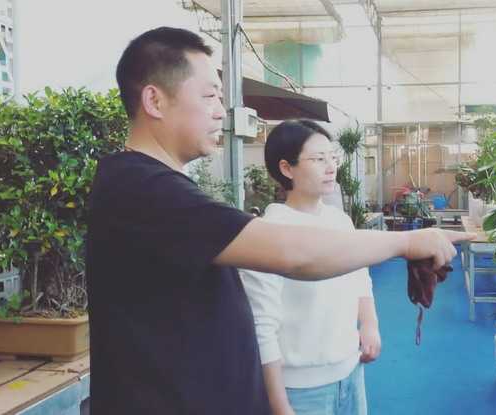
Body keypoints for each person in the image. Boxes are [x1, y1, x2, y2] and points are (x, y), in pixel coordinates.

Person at [86, 26, 472, 414]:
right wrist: (406, 242)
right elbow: (295, 254)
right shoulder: (140, 188)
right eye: (209, 96)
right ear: (154, 100)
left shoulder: (153, 185)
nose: (221, 110)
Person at [240, 120, 380, 415]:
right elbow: (262, 327)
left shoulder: (340, 221)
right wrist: (279, 405)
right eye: (318, 159)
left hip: (352, 374)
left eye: (332, 157)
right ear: (286, 168)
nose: (331, 167)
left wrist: (369, 324)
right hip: (301, 393)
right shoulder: (268, 234)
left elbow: (360, 278)